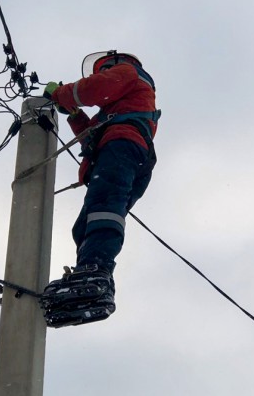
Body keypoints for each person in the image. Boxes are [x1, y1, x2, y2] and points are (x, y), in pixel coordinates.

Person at [41, 50, 160, 327]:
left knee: (104, 207)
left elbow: (95, 88)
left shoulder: (129, 74)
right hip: (124, 151)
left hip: (122, 147)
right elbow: (91, 136)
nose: (99, 73)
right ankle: (91, 280)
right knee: (86, 223)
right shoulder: (117, 110)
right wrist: (73, 115)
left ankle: (96, 269)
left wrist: (61, 94)